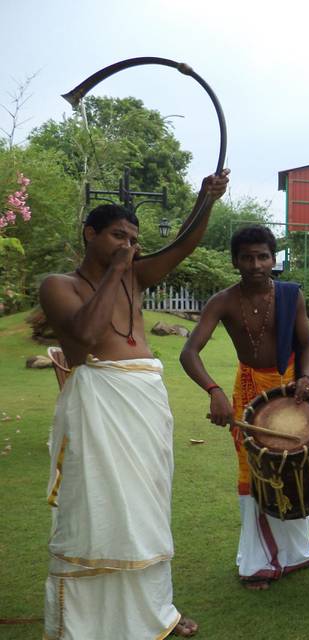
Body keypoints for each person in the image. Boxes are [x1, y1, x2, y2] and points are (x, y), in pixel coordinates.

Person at [38, 171, 229, 639]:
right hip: (99, 402)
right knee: (98, 507)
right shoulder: (59, 285)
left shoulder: (136, 278)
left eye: (134, 238)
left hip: (145, 401)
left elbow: (182, 246)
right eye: (118, 235)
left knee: (147, 506)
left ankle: (155, 609)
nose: (129, 245)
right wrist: (119, 271)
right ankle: (84, 620)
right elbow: (82, 338)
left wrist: (205, 200)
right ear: (91, 235)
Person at [179, 225, 309, 590]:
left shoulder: (291, 295)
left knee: (295, 468)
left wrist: (306, 377)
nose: (256, 264)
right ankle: (257, 563)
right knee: (254, 471)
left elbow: (307, 345)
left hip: (292, 391)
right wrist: (213, 390)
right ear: (235, 261)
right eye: (247, 257)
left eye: (263, 256)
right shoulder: (223, 301)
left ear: (274, 260)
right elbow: (189, 352)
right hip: (248, 393)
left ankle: (295, 554)